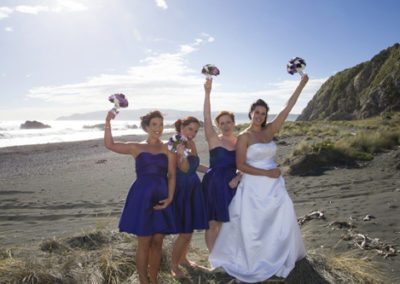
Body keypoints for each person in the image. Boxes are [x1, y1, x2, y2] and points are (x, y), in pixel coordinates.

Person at [209, 74, 309, 283]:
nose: (260, 116)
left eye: (263, 113)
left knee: (281, 218)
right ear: (251, 113)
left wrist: (301, 84)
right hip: (255, 184)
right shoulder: (244, 136)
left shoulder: (270, 130)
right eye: (257, 112)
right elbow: (240, 165)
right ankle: (256, 259)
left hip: (274, 186)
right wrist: (267, 173)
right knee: (254, 225)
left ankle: (277, 255)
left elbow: (287, 108)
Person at [104, 110, 176, 284]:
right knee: (144, 242)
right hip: (142, 196)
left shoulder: (169, 147)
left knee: (158, 241)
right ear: (146, 127)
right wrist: (108, 122)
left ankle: (154, 279)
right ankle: (144, 280)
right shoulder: (136, 147)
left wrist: (170, 198)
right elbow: (110, 144)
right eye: (154, 125)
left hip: (162, 195)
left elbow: (172, 174)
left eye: (161, 124)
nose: (158, 128)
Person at [202, 78, 241, 252]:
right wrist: (207, 93)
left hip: (232, 184)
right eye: (222, 123)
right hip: (214, 183)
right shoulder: (213, 139)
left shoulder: (240, 141)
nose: (225, 125)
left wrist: (239, 177)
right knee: (212, 223)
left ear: (234, 123)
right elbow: (206, 116)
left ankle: (225, 255)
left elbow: (246, 164)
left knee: (228, 222)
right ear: (218, 125)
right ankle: (214, 258)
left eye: (228, 122)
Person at [169, 116, 209, 278]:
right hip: (182, 189)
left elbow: (195, 166)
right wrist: (183, 155)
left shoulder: (190, 143)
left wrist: (212, 171)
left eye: (195, 130)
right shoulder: (175, 142)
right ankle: (173, 266)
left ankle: (183, 259)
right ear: (181, 127)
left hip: (193, 187)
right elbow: (185, 168)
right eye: (189, 129)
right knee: (184, 232)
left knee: (189, 229)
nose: (192, 133)